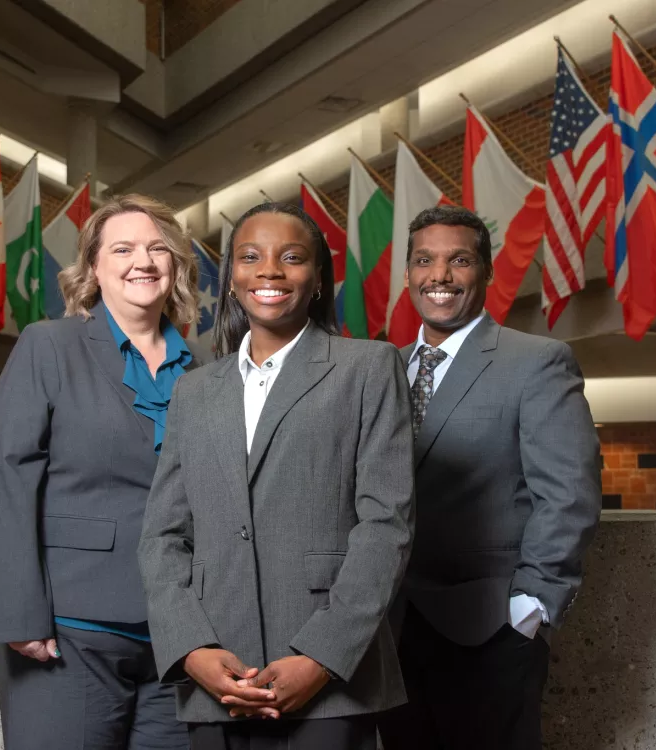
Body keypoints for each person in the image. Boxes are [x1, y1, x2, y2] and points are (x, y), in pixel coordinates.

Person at [140, 202, 415, 750]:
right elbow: (163, 536)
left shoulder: (369, 367)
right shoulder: (195, 390)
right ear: (232, 279)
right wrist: (191, 648)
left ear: (316, 280)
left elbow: (386, 527)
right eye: (250, 257)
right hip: (218, 672)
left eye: (291, 257)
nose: (269, 270)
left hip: (330, 676)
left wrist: (322, 656)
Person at [0, 194, 207, 750]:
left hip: (182, 631)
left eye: (157, 249)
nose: (142, 262)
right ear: (94, 267)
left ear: (174, 264)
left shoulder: (206, 366)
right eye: (122, 248)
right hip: (71, 626)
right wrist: (17, 614)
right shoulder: (49, 345)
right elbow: (5, 476)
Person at [377, 206, 602, 750]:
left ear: (486, 271)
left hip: (489, 629)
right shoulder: (381, 368)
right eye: (425, 261)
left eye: (459, 260)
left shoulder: (537, 362)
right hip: (389, 629)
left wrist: (531, 609)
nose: (441, 276)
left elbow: (569, 493)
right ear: (407, 274)